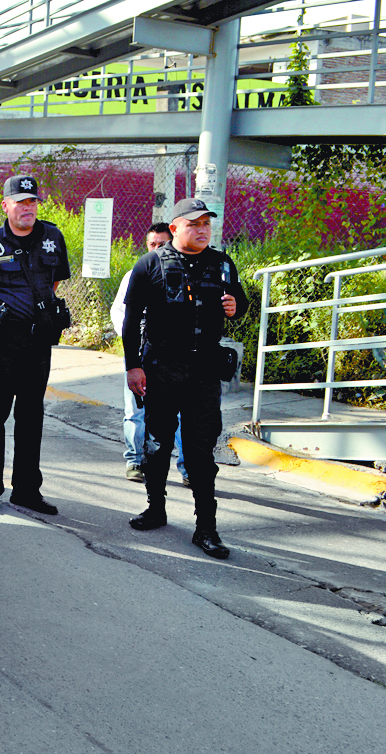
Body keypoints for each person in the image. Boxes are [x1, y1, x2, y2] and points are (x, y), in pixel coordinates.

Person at [121, 197, 249, 559]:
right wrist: (133, 366)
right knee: (157, 443)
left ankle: (206, 528)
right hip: (162, 368)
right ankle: (155, 508)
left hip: (204, 371)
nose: (203, 229)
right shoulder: (150, 263)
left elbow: (239, 302)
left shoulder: (222, 263)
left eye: (207, 223)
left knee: (200, 451)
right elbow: (131, 322)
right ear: (175, 228)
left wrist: (236, 306)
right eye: (194, 224)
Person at [0, 174, 71, 515]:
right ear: (5, 205)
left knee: (31, 418)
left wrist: (39, 315)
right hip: (1, 345)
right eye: (20, 202)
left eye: (32, 201)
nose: (28, 208)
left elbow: (53, 283)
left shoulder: (52, 237)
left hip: (37, 343)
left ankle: (26, 490)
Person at [111, 222, 187, 485]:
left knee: (179, 413)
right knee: (135, 411)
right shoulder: (136, 273)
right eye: (152, 244)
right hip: (141, 353)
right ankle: (135, 460)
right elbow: (120, 314)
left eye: (162, 244)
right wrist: (133, 343)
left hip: (172, 357)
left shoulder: (183, 274)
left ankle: (187, 468)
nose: (157, 249)